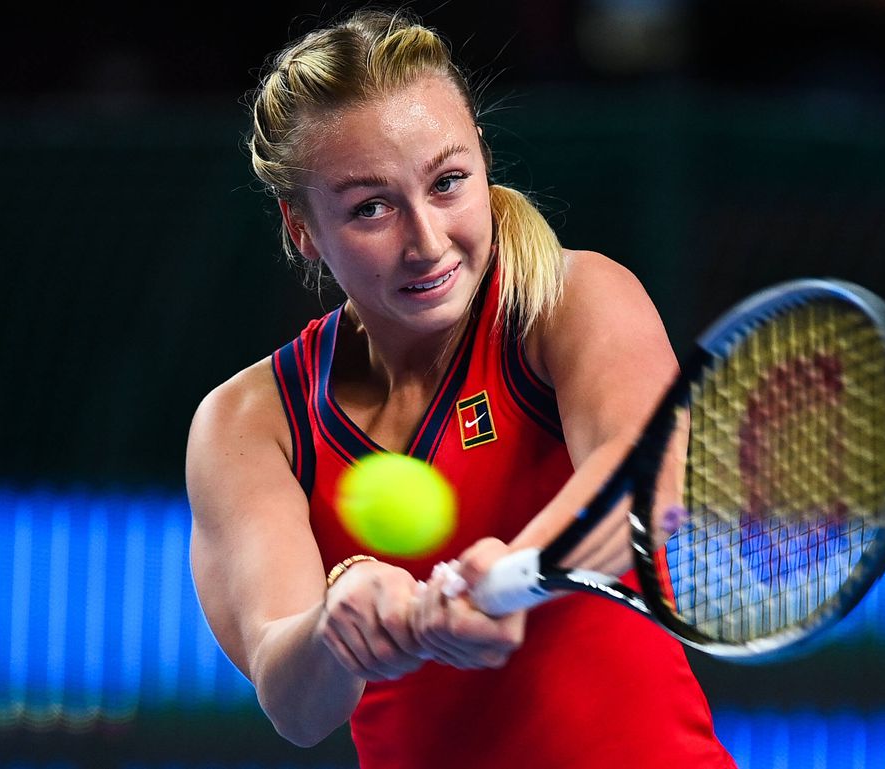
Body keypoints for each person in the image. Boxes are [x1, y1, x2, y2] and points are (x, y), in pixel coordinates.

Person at [186, 8, 736, 768]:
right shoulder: (248, 424)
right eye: (370, 207)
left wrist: (506, 580)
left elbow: (644, 480)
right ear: (302, 229)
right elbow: (296, 704)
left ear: (483, 159)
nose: (427, 239)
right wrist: (339, 621)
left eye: (448, 182)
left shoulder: (573, 299)